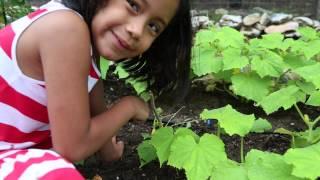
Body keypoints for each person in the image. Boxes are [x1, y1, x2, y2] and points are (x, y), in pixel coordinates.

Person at [0, 0, 192, 179]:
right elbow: (72, 147)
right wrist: (129, 107)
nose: (136, 30)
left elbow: (92, 100)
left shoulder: (83, 43)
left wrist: (107, 149)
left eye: (153, 26)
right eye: (134, 5)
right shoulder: (65, 29)